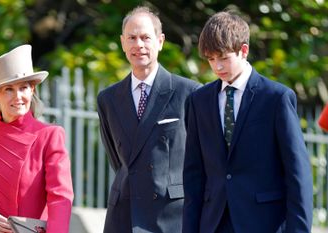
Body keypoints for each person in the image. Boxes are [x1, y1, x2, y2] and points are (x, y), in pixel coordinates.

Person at [183, 11, 313, 233]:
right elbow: (194, 174)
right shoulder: (198, 101)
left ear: (244, 50)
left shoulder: (276, 98)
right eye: (211, 59)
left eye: (223, 57)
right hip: (213, 224)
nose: (217, 67)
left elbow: (297, 174)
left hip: (264, 224)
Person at [97, 6, 201, 233]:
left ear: (160, 41)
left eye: (145, 37)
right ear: (123, 43)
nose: (138, 45)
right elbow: (119, 160)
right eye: (132, 38)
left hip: (172, 215)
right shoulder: (108, 99)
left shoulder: (189, 92)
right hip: (124, 213)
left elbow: (201, 159)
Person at [0, 44, 73, 233]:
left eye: (23, 88)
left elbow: (60, 198)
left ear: (32, 90)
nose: (18, 96)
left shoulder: (49, 136)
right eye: (9, 89)